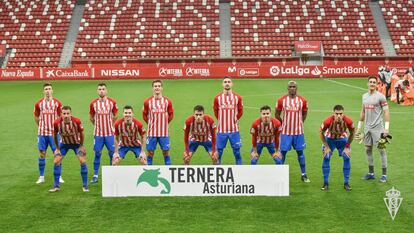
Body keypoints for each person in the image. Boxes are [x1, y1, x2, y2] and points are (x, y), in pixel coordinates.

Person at [356, 76, 391, 183]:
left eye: (374, 82)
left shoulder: (381, 97)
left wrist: (386, 129)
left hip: (378, 129)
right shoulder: (364, 96)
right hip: (367, 128)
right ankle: (371, 173)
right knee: (368, 149)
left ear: (376, 84)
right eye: (370, 82)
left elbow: (386, 112)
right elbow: (363, 112)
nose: (372, 84)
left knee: (381, 150)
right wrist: (359, 127)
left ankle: (384, 175)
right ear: (367, 83)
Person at [275, 81, 310, 182]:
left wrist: (300, 123)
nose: (292, 88)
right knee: (283, 152)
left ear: (296, 88)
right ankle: (279, 174)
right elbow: (277, 114)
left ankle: (303, 174)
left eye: (294, 86)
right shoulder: (282, 100)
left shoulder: (302, 100)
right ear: (287, 88)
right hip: (286, 132)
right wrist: (283, 123)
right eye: (290, 87)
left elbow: (304, 113)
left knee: (300, 153)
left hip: (298, 132)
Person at [49, 106, 88, 192]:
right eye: (64, 114)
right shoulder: (56, 123)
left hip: (76, 144)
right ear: (61, 114)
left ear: (71, 113)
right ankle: (56, 186)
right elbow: (54, 135)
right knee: (56, 161)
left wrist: (81, 146)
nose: (66, 115)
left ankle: (85, 186)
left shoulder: (77, 121)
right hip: (64, 144)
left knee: (82, 160)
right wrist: (57, 148)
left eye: (68, 113)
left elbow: (82, 134)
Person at [34, 82, 64, 184]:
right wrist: (42, 126)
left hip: (54, 134)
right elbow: (36, 118)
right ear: (43, 91)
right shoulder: (39, 104)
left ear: (52, 90)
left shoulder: (57, 103)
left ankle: (59, 176)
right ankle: (41, 176)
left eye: (49, 89)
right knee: (42, 153)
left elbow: (61, 118)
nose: (48, 91)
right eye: (46, 89)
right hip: (42, 133)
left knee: (57, 154)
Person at [319, 105, 355, 191]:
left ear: (343, 113)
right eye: (337, 113)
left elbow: (352, 132)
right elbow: (321, 132)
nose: (339, 116)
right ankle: (325, 183)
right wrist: (326, 146)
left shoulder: (348, 121)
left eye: (341, 113)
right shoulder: (327, 121)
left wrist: (347, 147)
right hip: (329, 139)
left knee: (347, 157)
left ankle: (346, 183)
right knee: (326, 157)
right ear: (333, 113)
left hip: (342, 140)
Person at [89, 83, 118, 183]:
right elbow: (91, 118)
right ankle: (95, 175)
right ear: (97, 91)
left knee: (112, 153)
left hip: (110, 133)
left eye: (103, 89)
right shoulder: (93, 104)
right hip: (98, 134)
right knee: (97, 153)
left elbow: (116, 115)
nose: (101, 91)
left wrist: (111, 124)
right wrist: (98, 125)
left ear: (106, 91)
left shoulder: (112, 102)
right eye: (100, 89)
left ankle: (112, 174)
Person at [142, 80, 174, 165]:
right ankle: (148, 170)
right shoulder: (147, 102)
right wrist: (150, 123)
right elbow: (144, 115)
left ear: (162, 88)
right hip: (151, 133)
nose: (157, 88)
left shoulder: (167, 101)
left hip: (164, 133)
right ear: (152, 88)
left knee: (166, 152)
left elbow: (171, 114)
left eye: (159, 86)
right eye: (155, 86)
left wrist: (165, 123)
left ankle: (168, 170)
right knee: (150, 153)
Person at [213, 76, 243, 165]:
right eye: (225, 82)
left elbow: (240, 111)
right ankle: (218, 172)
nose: (227, 83)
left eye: (229, 82)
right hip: (221, 130)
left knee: (237, 152)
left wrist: (234, 120)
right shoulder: (217, 98)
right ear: (222, 84)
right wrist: (222, 120)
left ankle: (239, 170)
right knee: (219, 152)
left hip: (234, 130)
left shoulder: (237, 97)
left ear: (232, 84)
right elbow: (216, 112)